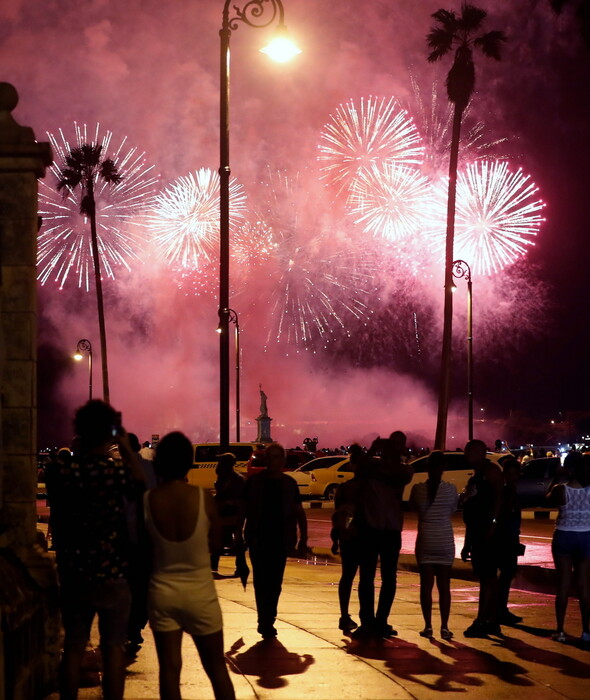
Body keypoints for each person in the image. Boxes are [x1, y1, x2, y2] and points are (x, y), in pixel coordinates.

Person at [48, 400, 145, 700]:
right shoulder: (113, 472)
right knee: (113, 648)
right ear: (108, 433)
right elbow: (140, 484)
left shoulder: (62, 472)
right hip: (111, 572)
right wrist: (125, 446)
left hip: (75, 572)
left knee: (74, 647)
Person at [144, 432, 235, 700]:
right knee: (217, 668)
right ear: (188, 461)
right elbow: (216, 544)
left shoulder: (148, 501)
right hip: (200, 593)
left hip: (162, 593)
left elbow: (143, 549)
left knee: (169, 671)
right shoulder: (203, 497)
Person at [240, 442, 308, 639]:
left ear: (283, 460)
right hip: (258, 538)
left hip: (280, 539)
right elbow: (244, 509)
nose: (274, 461)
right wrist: (239, 534)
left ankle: (269, 618)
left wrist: (303, 537)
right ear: (266, 460)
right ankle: (265, 619)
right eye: (271, 457)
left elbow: (298, 511)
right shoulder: (254, 482)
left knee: (275, 582)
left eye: (278, 457)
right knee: (261, 581)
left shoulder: (289, 484)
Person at [353, 431, 413, 638]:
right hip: (371, 527)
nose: (396, 447)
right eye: (393, 443)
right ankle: (367, 621)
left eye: (399, 444)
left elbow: (393, 477)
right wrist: (372, 450)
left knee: (388, 578)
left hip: (391, 529)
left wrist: (379, 453)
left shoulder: (405, 470)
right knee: (367, 577)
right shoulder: (372, 466)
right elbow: (358, 469)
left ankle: (380, 621)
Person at [409, 450, 458, 640]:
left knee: (426, 587)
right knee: (444, 587)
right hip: (445, 541)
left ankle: (428, 626)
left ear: (427, 468)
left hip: (426, 541)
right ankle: (445, 627)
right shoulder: (451, 489)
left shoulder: (417, 489)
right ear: (444, 468)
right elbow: (452, 509)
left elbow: (414, 508)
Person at [460, 439, 504, 638]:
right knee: (485, 577)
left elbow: (500, 498)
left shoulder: (491, 471)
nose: (466, 455)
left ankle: (484, 620)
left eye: (470, 451)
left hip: (488, 532)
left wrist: (493, 524)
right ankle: (490, 620)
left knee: (488, 577)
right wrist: (467, 542)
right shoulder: (476, 476)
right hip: (477, 532)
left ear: (481, 452)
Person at [547, 451, 590, 643]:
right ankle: (586, 631)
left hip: (564, 535)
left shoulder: (560, 490)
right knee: (584, 585)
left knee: (563, 584)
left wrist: (557, 476)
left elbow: (546, 497)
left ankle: (561, 630)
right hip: (586, 536)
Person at [125, 433, 158, 660]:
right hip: (142, 537)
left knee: (133, 586)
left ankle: (132, 626)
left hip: (132, 537)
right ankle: (134, 626)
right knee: (141, 587)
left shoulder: (118, 471)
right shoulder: (150, 469)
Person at [330, 444, 366, 633]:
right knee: (364, 579)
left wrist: (336, 539)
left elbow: (337, 516)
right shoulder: (368, 488)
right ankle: (364, 617)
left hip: (348, 537)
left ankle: (345, 615)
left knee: (348, 577)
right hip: (364, 536)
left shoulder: (344, 488)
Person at [497, 456, 525, 626]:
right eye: (510, 473)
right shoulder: (505, 491)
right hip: (504, 538)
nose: (513, 476)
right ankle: (499, 610)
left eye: (515, 474)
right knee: (506, 574)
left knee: (507, 574)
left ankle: (500, 609)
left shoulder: (512, 491)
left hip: (510, 537)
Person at [210, 452, 246, 576]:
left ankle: (240, 567)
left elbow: (241, 501)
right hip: (222, 515)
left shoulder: (237, 480)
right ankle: (214, 568)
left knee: (236, 543)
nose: (218, 465)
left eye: (221, 463)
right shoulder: (223, 478)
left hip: (233, 516)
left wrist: (226, 503)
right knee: (218, 543)